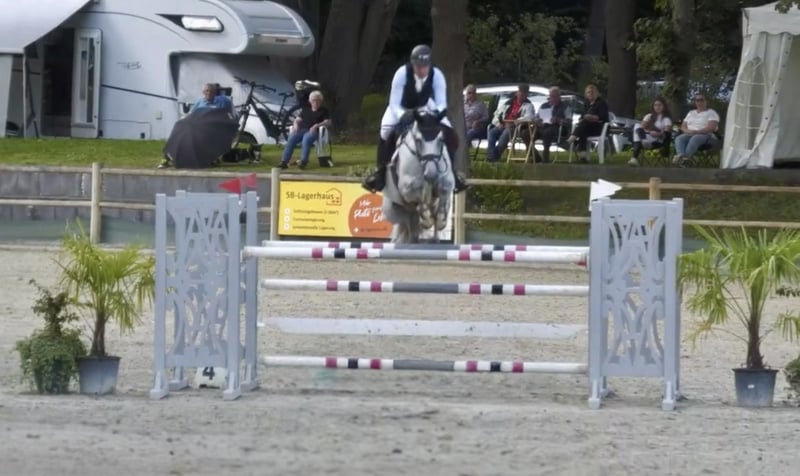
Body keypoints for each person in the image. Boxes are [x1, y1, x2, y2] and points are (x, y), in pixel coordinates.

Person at [362, 45, 468, 194]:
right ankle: (380, 173)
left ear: (429, 65)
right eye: (418, 66)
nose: (421, 70)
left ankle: (453, 174)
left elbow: (441, 103)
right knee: (385, 132)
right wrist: (403, 115)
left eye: (424, 66)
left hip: (425, 106)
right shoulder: (401, 73)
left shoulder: (437, 75)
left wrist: (435, 116)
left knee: (449, 131)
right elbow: (394, 102)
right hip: (401, 107)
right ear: (412, 64)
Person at [279, 90, 330, 169]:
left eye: (318, 100)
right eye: (314, 100)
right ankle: (284, 162)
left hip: (314, 131)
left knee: (306, 140)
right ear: (310, 101)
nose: (316, 102)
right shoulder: (306, 109)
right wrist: (296, 125)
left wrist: (316, 125)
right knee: (291, 139)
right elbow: (297, 120)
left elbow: (327, 122)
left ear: (321, 101)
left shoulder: (324, 110)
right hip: (302, 129)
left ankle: (303, 162)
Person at [485, 84, 535, 162]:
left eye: (524, 93)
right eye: (520, 92)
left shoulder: (529, 105)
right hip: (502, 125)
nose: (522, 94)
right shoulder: (508, 103)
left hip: (515, 127)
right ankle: (491, 155)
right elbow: (497, 114)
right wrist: (499, 123)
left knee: (506, 134)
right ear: (517, 93)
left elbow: (529, 117)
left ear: (526, 94)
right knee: (492, 132)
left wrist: (516, 121)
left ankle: (493, 156)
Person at [672, 94, 720, 167]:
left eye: (701, 100)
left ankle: (683, 159)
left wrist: (697, 132)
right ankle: (683, 158)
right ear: (695, 102)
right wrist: (688, 131)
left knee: (695, 138)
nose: (699, 102)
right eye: (697, 100)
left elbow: (711, 128)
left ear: (706, 101)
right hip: (689, 133)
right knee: (679, 138)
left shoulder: (711, 113)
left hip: (705, 135)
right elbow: (683, 126)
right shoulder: (691, 113)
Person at [567, 84, 609, 163]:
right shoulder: (586, 104)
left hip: (600, 128)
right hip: (588, 127)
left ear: (596, 93)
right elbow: (582, 116)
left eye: (592, 92)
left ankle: (574, 137)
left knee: (584, 124)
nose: (590, 94)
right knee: (583, 126)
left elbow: (602, 117)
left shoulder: (601, 103)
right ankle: (583, 156)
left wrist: (592, 117)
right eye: (588, 92)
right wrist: (586, 117)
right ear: (586, 94)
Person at [628, 97, 673, 166]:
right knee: (637, 125)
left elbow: (666, 134)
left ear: (664, 106)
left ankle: (634, 158)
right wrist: (649, 132)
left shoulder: (666, 119)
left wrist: (658, 134)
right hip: (646, 137)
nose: (657, 107)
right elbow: (641, 128)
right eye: (655, 105)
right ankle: (643, 141)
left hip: (657, 140)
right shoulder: (649, 116)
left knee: (637, 135)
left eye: (660, 105)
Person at [532, 86, 570, 163]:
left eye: (554, 96)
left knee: (547, 132)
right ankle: (534, 156)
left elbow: (568, 121)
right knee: (528, 133)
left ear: (559, 96)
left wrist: (558, 120)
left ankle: (545, 157)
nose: (552, 98)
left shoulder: (565, 106)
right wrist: (538, 121)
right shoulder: (544, 105)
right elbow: (536, 117)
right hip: (542, 126)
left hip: (557, 128)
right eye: (551, 96)